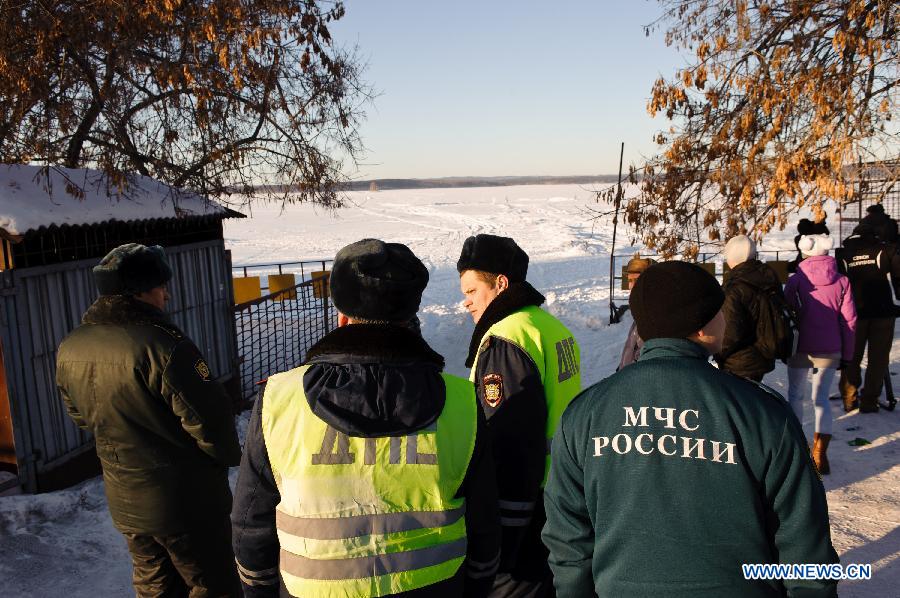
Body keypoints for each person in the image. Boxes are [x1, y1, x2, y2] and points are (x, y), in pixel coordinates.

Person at [542, 261, 839, 598]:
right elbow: (805, 542)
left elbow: (569, 540)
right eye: (720, 312)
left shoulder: (586, 413)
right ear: (701, 328)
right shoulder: (762, 413)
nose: (726, 319)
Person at [231, 239, 501, 598]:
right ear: (410, 317)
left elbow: (251, 520)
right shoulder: (462, 402)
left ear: (342, 317)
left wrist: (258, 590)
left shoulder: (279, 399)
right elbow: (484, 523)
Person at [56, 243, 242, 597]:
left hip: (126, 500)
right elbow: (211, 422)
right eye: (161, 286)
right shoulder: (165, 346)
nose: (167, 294)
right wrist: (224, 458)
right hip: (187, 503)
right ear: (141, 291)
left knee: (154, 586)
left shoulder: (72, 346)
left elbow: (82, 417)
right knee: (210, 584)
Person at [457, 233, 581, 597]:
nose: (465, 303)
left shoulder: (507, 338)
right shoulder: (550, 327)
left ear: (500, 284)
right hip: (559, 494)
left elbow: (509, 444)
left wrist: (504, 539)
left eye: (471, 292)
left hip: (523, 515)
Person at [785, 231, 856, 475]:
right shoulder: (842, 281)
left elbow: (788, 313)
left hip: (800, 345)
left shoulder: (795, 281)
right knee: (821, 399)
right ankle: (819, 454)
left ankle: (799, 449)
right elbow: (850, 321)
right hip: (830, 346)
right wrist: (847, 354)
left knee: (795, 396)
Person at [836, 222, 900, 413]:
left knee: (851, 357)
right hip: (883, 311)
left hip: (854, 312)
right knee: (878, 359)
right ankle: (870, 400)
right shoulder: (885, 249)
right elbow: (898, 274)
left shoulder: (843, 253)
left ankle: (849, 397)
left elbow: (838, 282)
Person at [715, 235, 785, 382]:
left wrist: (717, 352)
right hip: (764, 353)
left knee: (739, 402)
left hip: (739, 361)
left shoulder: (734, 288)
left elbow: (730, 332)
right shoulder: (768, 278)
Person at [617, 254, 655, 370]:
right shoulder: (640, 309)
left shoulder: (655, 313)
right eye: (630, 280)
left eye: (637, 280)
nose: (632, 285)